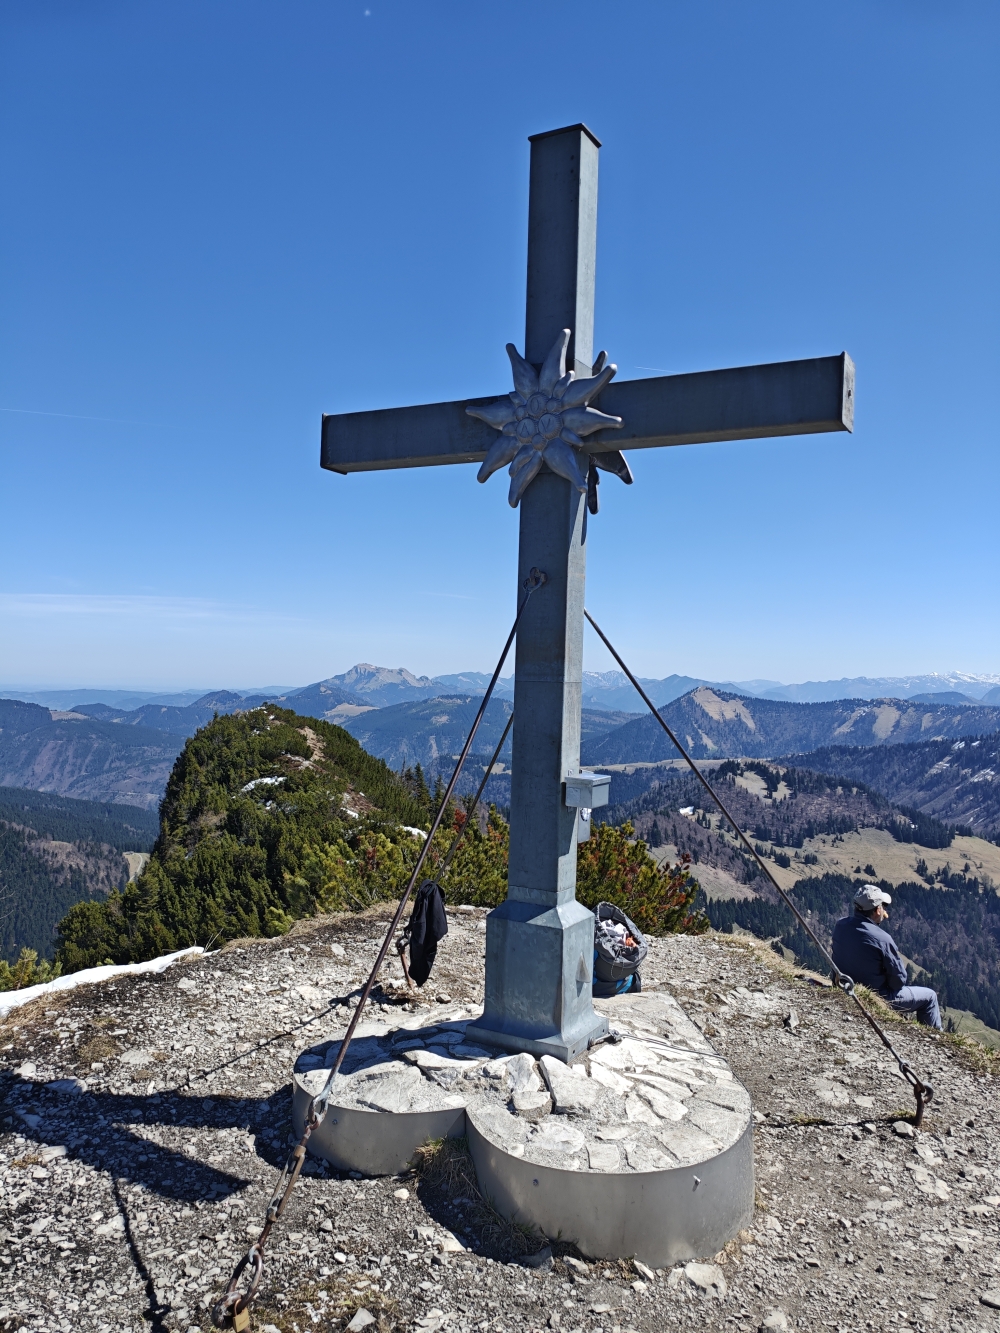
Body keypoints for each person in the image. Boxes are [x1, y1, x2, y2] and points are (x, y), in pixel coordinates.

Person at [831, 884, 942, 1028]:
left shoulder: (840, 925)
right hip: (879, 996)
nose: (884, 910)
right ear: (878, 910)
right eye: (883, 906)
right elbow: (898, 981)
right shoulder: (882, 939)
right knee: (930, 997)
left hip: (843, 986)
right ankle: (933, 1037)